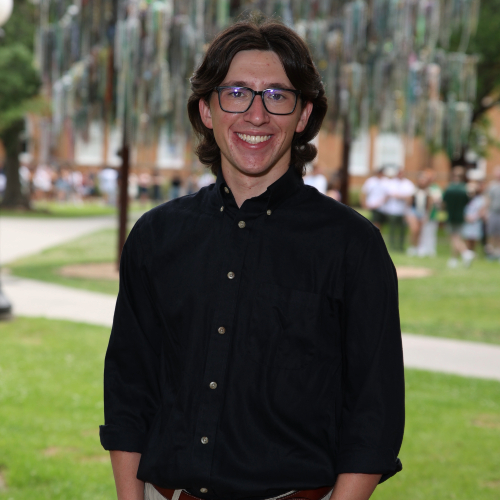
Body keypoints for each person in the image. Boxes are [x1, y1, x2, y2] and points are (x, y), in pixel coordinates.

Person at [100, 18, 404, 500]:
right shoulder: (155, 238)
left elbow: (375, 412)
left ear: (302, 115)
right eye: (237, 92)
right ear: (206, 110)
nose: (256, 115)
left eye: (277, 95)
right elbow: (128, 392)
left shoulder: (353, 245)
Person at [442, 166, 475, 267]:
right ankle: (454, 259)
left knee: (454, 238)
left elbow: (443, 203)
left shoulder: (449, 188)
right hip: (461, 216)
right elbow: (468, 202)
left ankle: (465, 252)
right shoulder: (465, 189)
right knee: (457, 237)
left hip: (451, 216)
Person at [380, 167, 415, 251]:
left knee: (402, 230)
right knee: (392, 229)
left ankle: (400, 246)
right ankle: (392, 246)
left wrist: (399, 196)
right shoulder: (391, 183)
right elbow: (390, 194)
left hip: (404, 211)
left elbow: (410, 197)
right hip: (392, 210)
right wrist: (402, 196)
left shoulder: (408, 183)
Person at [462, 181, 487, 252]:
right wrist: (466, 217)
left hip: (476, 222)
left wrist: (474, 217)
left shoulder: (480, 199)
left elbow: (482, 210)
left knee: (474, 238)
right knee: (467, 237)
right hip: (466, 221)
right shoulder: (465, 199)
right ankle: (467, 252)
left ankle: (473, 252)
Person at [485, 166, 500, 259]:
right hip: (493, 212)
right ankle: (491, 254)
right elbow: (488, 199)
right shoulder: (492, 185)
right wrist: (486, 212)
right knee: (491, 234)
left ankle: (498, 253)